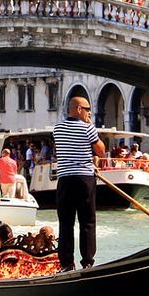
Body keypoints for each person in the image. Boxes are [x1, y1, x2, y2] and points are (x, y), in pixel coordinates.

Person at [52, 96, 105, 272]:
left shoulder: (57, 129)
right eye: (87, 109)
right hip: (84, 179)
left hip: (65, 179)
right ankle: (87, 262)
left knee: (66, 222)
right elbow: (101, 151)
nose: (89, 112)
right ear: (79, 109)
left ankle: (66, 264)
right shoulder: (88, 128)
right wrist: (90, 125)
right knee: (87, 221)